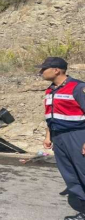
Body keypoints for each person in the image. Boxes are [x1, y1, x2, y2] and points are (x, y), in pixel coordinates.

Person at [37, 57, 85, 220]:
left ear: (56, 70)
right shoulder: (50, 90)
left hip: (77, 136)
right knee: (70, 175)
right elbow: (50, 115)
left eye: (44, 69)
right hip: (59, 137)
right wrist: (48, 136)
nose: (41, 72)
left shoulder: (78, 87)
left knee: (83, 172)